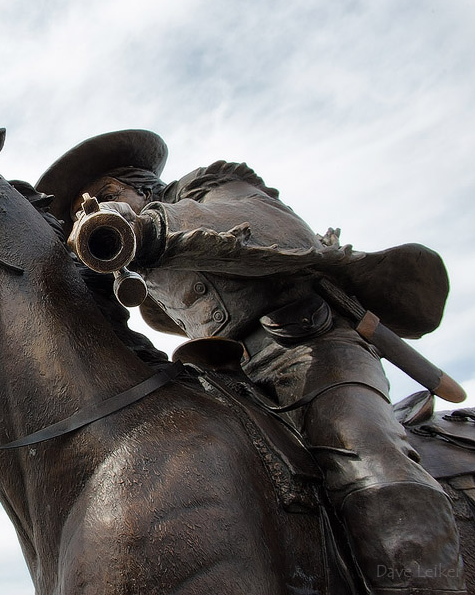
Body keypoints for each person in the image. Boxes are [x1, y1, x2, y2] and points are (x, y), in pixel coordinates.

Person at [35, 130, 465, 594]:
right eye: (85, 210)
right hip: (228, 379)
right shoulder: (150, 286)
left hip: (312, 349)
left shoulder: (204, 186)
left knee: (364, 453)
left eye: (105, 196)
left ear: (141, 186)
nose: (95, 210)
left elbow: (281, 233)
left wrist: (151, 227)